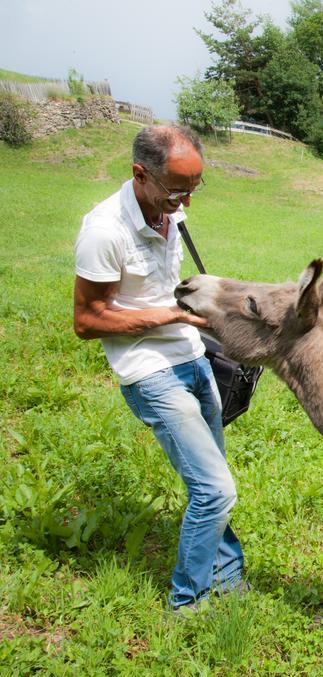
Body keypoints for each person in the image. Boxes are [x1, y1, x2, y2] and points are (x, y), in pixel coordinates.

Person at [73, 124, 245, 612]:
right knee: (214, 489)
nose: (187, 198)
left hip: (193, 357)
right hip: (149, 369)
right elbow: (87, 321)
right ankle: (187, 603)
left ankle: (228, 577)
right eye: (177, 187)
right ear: (139, 174)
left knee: (212, 480)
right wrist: (169, 315)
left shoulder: (172, 210)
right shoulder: (105, 231)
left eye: (195, 186)